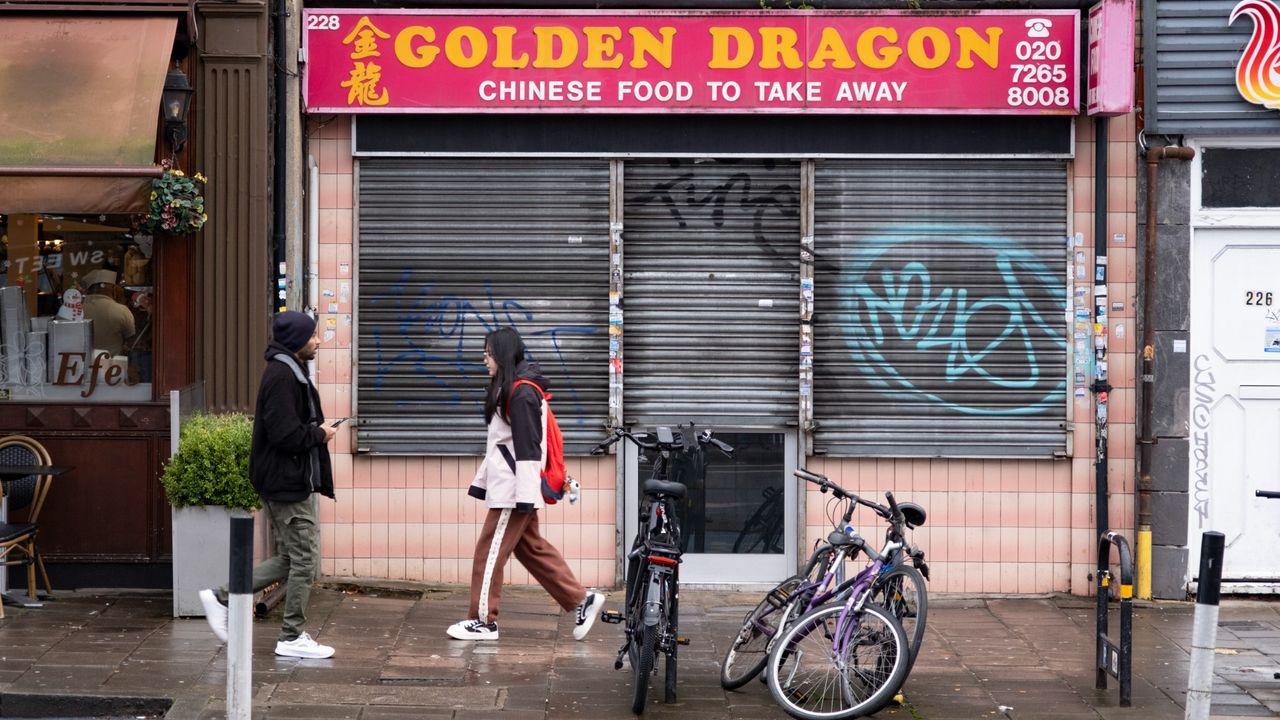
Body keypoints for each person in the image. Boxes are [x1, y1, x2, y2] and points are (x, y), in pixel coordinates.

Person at [447, 326, 605, 641]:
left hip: (514, 492)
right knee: (531, 548)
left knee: (488, 552)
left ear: (502, 355)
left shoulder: (521, 393)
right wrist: (484, 483)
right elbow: (501, 445)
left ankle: (483, 621)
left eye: (488, 353)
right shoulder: (513, 389)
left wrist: (524, 496)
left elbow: (530, 449)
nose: (483, 359)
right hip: (513, 488)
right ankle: (580, 599)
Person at [199, 310, 338, 659]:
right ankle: (291, 637)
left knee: (293, 558)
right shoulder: (282, 375)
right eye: (313, 336)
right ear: (296, 341)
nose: (318, 341)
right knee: (305, 559)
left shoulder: (287, 371)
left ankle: (222, 596)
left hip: (285, 479)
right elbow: (284, 434)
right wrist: (319, 433)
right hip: (285, 481)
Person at [80, 269, 135, 356]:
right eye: (113, 286)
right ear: (110, 288)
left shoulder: (72, 310)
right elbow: (132, 339)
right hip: (113, 367)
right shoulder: (121, 310)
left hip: (77, 366)